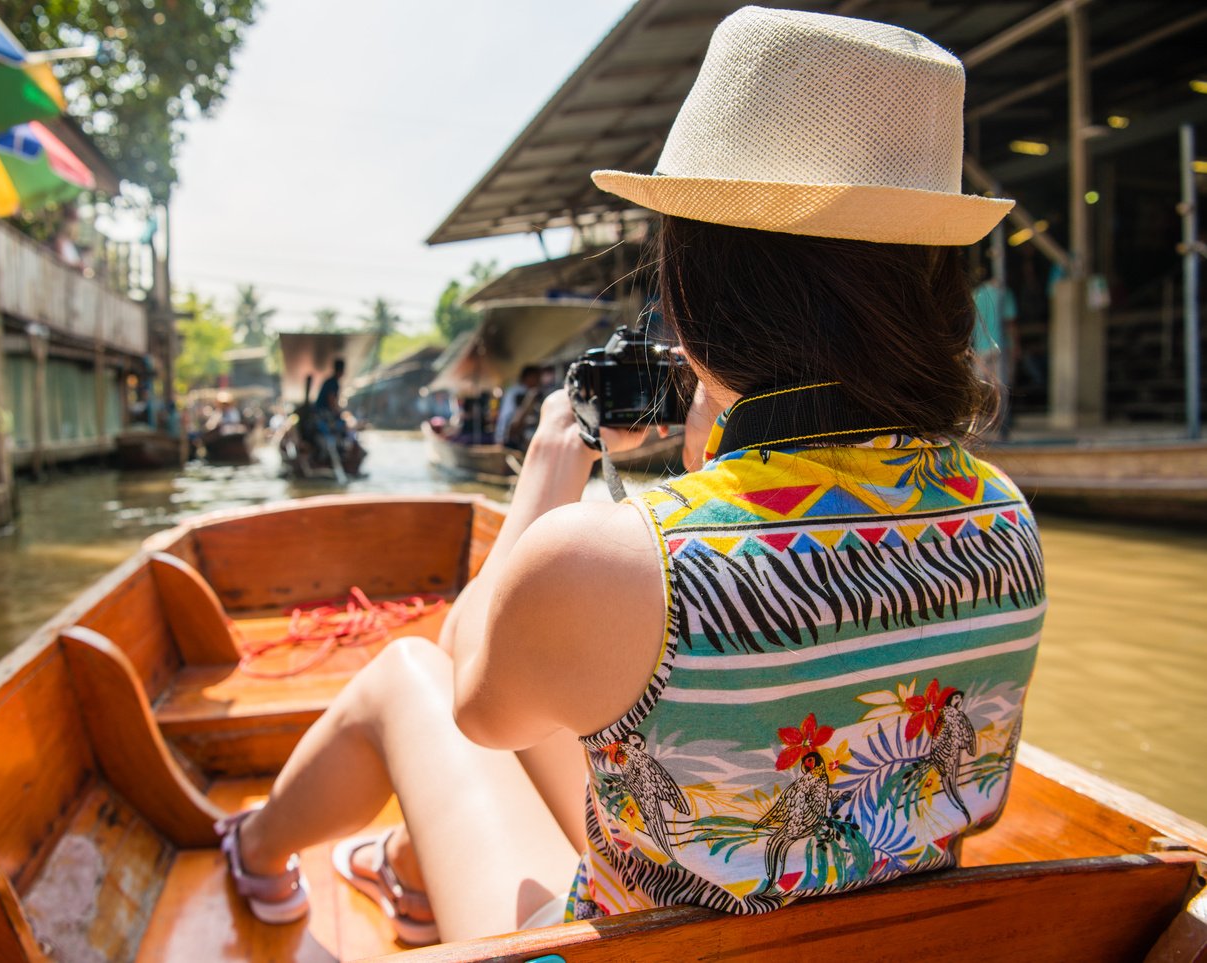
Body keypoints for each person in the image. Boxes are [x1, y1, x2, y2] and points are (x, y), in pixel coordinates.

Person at [214, 6, 1044, 945]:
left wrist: (547, 468)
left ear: (699, 290)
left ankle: (252, 850)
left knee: (406, 674)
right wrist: (726, 471)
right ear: (935, 286)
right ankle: (405, 867)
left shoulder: (614, 561)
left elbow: (472, 693)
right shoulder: (1005, 521)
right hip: (865, 938)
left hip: (652, 938)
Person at [494, 365, 544, 450]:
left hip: (503, 437)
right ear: (529, 377)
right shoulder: (522, 393)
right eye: (537, 377)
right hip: (510, 438)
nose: (539, 381)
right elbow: (516, 422)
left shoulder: (513, 389)